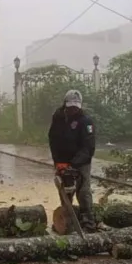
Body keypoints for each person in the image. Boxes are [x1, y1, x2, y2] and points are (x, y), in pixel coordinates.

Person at [47, 89, 97, 232]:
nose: (73, 110)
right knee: (65, 192)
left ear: (79, 106)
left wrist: (74, 165)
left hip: (81, 162)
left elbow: (88, 147)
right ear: (65, 105)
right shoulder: (58, 118)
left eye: (75, 107)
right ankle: (67, 222)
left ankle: (88, 223)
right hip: (63, 160)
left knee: (83, 191)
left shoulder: (86, 121)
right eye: (70, 107)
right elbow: (53, 140)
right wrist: (58, 162)